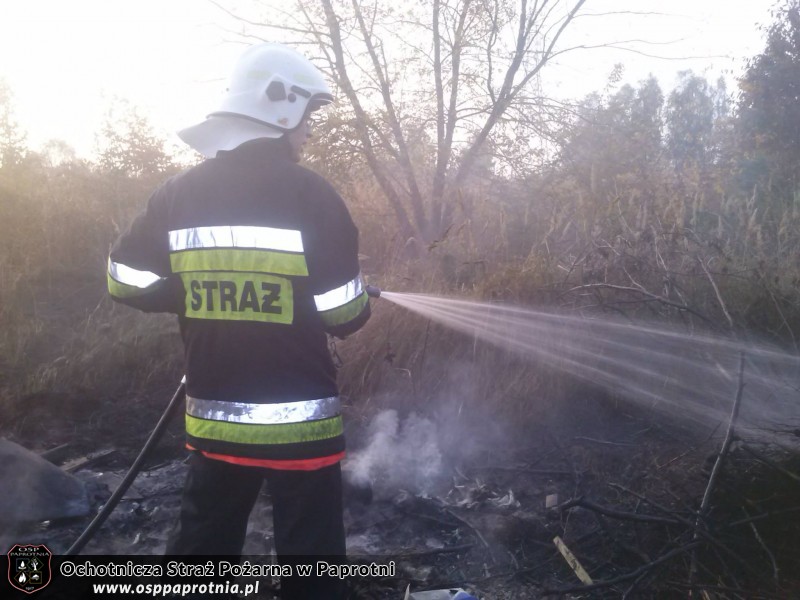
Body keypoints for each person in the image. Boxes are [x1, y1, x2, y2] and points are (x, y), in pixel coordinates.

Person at [106, 42, 371, 599]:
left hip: (215, 424)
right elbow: (344, 315)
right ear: (282, 109)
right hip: (303, 429)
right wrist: (357, 298)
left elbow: (121, 280)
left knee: (201, 556)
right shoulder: (313, 195)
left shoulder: (176, 194)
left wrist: (187, 292)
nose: (308, 134)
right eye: (308, 119)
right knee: (313, 569)